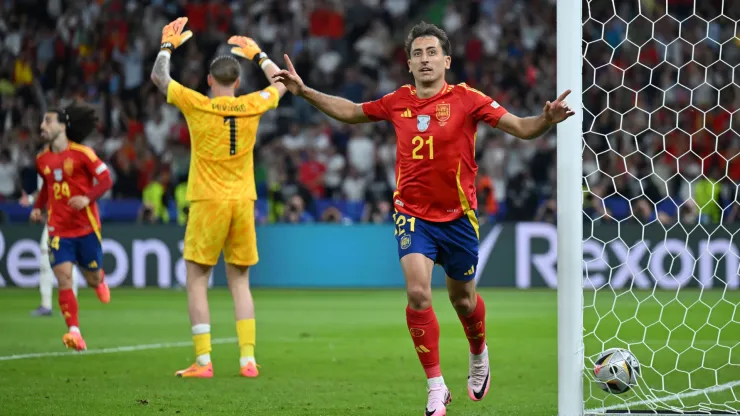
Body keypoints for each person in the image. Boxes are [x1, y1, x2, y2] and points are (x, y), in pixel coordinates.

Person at [273, 21, 574, 416]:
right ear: (409, 64)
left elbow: (521, 127)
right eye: (417, 54)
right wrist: (305, 91)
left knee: (463, 301)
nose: (425, 59)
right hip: (413, 214)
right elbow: (351, 112)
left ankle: (479, 353)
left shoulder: (467, 99)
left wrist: (546, 120)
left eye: (432, 52)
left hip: (459, 218)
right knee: (417, 293)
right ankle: (436, 386)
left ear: (446, 60)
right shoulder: (397, 101)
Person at [149, 17, 288, 378]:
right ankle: (247, 359)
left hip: (207, 200)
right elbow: (283, 82)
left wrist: (167, 46)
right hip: (243, 201)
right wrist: (259, 54)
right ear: (238, 83)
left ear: (210, 81)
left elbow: (159, 79)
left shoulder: (198, 104)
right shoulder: (253, 104)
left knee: (197, 277)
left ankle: (204, 360)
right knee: (240, 281)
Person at [31, 103, 113, 351]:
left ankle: (99, 281)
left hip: (86, 228)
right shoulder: (42, 159)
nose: (42, 126)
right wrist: (38, 206)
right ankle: (74, 332)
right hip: (58, 229)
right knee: (64, 278)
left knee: (91, 277)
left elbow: (106, 179)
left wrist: (87, 198)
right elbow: (46, 186)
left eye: (48, 121)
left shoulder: (83, 154)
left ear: (63, 126)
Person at [21, 182, 80, 317]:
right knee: (57, 262)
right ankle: (53, 305)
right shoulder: (50, 167)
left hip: (61, 221)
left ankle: (53, 305)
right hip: (61, 219)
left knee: (60, 262)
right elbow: (46, 191)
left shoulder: (52, 166)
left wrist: (32, 201)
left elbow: (50, 191)